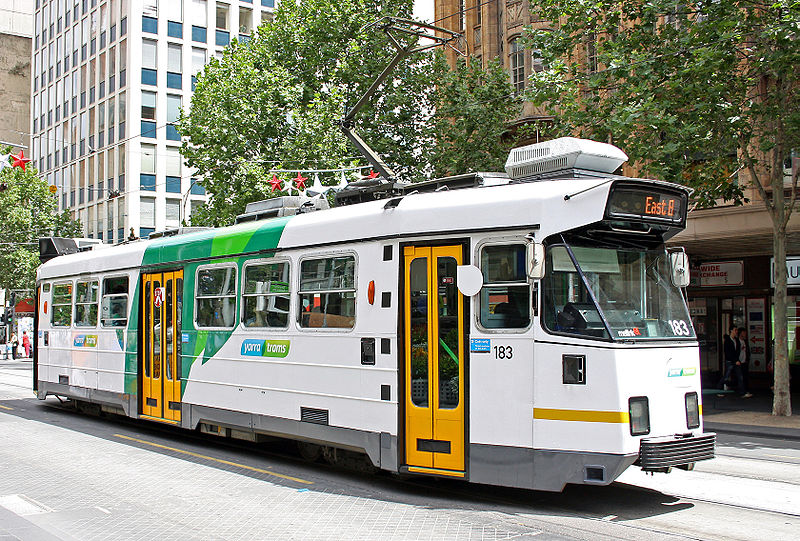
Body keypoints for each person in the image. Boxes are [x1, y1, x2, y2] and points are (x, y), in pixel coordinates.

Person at [717, 324, 743, 392]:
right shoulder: (728, 341)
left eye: (736, 330)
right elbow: (727, 352)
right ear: (731, 331)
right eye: (735, 330)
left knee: (740, 376)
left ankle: (742, 391)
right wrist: (734, 360)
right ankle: (719, 388)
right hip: (730, 361)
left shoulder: (736, 340)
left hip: (736, 360)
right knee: (726, 376)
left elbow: (738, 351)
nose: (736, 332)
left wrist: (737, 359)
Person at [737, 327, 753, 398]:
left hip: (745, 361)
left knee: (745, 376)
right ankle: (742, 391)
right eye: (743, 333)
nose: (745, 335)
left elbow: (748, 351)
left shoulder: (745, 342)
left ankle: (746, 390)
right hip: (739, 362)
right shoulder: (737, 342)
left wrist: (747, 359)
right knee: (740, 377)